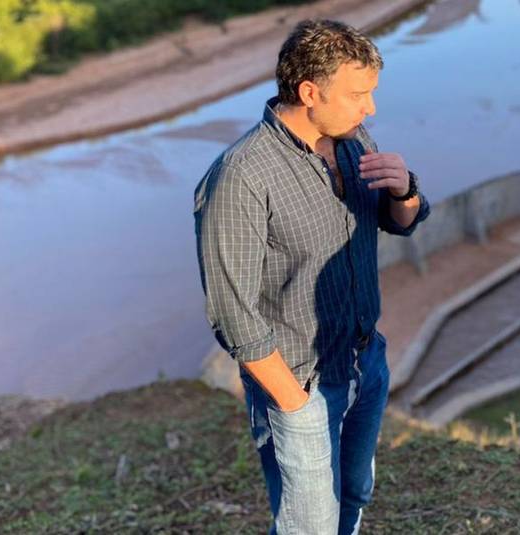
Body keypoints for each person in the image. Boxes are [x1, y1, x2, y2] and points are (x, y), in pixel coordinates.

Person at [193, 19, 429, 534]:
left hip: (366, 363)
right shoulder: (241, 177)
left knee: (354, 494)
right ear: (309, 92)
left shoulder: (350, 138)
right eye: (359, 94)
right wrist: (296, 406)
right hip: (300, 382)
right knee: (309, 525)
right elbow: (234, 316)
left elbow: (398, 223)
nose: (371, 108)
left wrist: (404, 190)